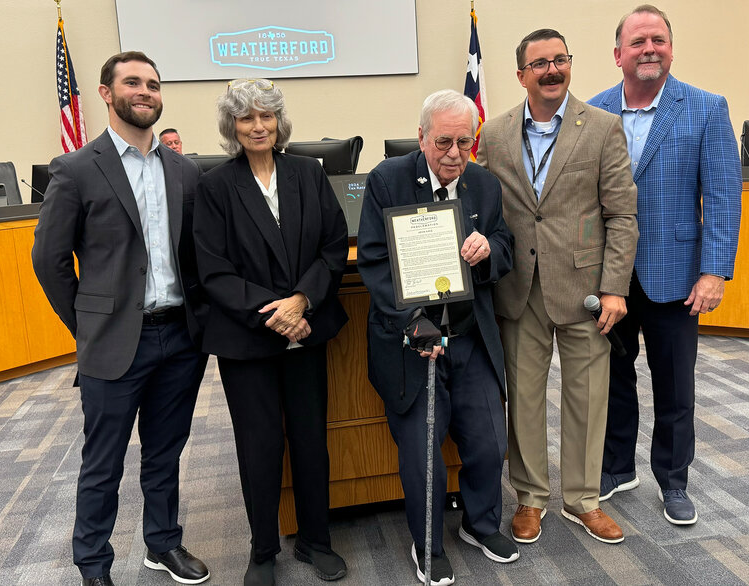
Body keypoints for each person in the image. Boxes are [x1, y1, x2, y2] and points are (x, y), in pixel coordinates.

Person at [32, 52, 210, 586]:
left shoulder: (185, 170)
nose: (146, 92)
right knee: (103, 461)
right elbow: (50, 260)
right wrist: (85, 325)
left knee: (165, 452)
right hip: (113, 343)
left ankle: (163, 544)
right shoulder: (77, 168)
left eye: (153, 84)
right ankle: (93, 563)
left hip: (179, 338)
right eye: (132, 82)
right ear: (107, 93)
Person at [477, 29, 638, 546]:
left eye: (560, 60)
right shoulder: (496, 133)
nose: (552, 70)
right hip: (518, 288)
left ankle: (583, 499)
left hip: (587, 291)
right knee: (523, 398)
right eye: (540, 63)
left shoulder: (603, 128)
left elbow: (621, 214)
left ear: (570, 65)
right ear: (521, 74)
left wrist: (615, 288)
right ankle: (529, 496)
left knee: (587, 397)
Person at [588, 4, 741, 525]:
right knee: (612, 379)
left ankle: (673, 481)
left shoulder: (705, 107)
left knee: (675, 387)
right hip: (610, 277)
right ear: (618, 55)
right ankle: (616, 467)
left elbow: (723, 195)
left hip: (677, 276)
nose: (648, 49)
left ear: (670, 49)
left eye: (658, 39)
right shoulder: (594, 110)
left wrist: (715, 270)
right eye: (637, 42)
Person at [193, 79, 349, 586]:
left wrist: (301, 301)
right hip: (248, 340)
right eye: (246, 118)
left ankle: (315, 540)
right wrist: (274, 313)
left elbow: (332, 246)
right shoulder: (215, 186)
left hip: (306, 327)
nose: (258, 126)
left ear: (279, 123)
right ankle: (263, 548)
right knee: (258, 446)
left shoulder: (308, 172)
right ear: (232, 127)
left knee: (310, 440)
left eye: (266, 116)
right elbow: (213, 271)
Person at [358, 89, 517, 585]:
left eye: (463, 143)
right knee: (423, 454)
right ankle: (426, 543)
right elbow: (374, 261)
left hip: (470, 338)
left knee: (490, 442)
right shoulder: (388, 180)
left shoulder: (485, 185)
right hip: (413, 342)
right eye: (443, 141)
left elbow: (507, 247)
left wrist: (488, 248)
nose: (453, 153)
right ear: (422, 136)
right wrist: (414, 323)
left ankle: (479, 523)